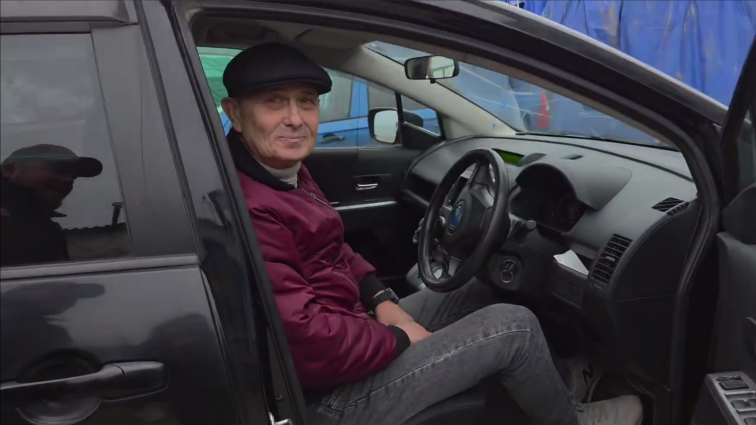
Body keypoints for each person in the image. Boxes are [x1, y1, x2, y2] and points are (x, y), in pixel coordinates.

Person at [221, 42, 643, 425]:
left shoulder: (282, 172)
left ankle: (558, 384)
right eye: (274, 102)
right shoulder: (254, 205)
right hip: (331, 398)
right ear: (235, 113)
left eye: (307, 102)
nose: (295, 119)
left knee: (479, 290)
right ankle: (573, 419)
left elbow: (334, 250)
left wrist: (382, 300)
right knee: (514, 327)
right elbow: (306, 340)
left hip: (349, 330)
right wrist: (398, 338)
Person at [0, 144, 102, 267]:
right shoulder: (9, 224)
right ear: (9, 170)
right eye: (59, 170)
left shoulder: (42, 226)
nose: (69, 180)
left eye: (73, 175)